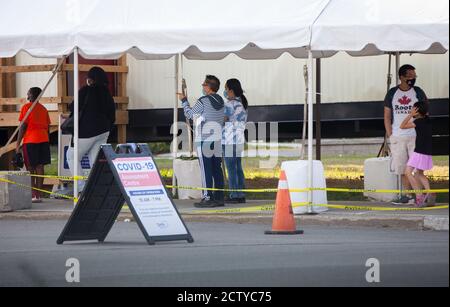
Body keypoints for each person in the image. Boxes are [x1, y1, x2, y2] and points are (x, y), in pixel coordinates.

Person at [178, 75, 225, 208]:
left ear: (209, 87)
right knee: (217, 168)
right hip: (217, 139)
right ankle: (219, 197)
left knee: (206, 170)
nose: (202, 86)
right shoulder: (221, 100)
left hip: (204, 139)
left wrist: (184, 101)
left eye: (204, 84)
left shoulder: (203, 100)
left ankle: (207, 197)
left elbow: (189, 114)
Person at [384, 64, 428, 205]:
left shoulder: (418, 92)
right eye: (410, 76)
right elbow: (387, 116)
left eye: (414, 76)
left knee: (416, 169)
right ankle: (408, 196)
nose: (412, 79)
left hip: (415, 136)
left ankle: (420, 197)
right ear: (401, 77)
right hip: (398, 136)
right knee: (403, 168)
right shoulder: (392, 93)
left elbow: (426, 112)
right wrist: (390, 135)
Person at [66, 67, 116, 192]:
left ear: (90, 79)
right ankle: (98, 187)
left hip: (86, 131)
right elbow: (112, 115)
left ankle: (82, 187)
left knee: (72, 156)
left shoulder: (85, 90)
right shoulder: (107, 93)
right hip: (104, 130)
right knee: (95, 160)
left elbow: (73, 107)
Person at [16, 87, 51, 203]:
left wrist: (17, 144)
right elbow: (48, 127)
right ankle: (39, 194)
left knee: (31, 167)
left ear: (31, 95)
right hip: (44, 139)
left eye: (28, 92)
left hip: (31, 140)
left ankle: (33, 194)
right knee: (40, 166)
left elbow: (23, 126)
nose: (27, 94)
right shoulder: (44, 109)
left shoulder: (26, 107)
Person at [400, 101, 435, 207]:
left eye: (413, 109)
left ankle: (419, 196)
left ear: (417, 111)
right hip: (427, 152)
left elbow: (402, 126)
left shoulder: (418, 121)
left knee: (408, 172)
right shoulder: (427, 120)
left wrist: (410, 115)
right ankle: (429, 192)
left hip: (419, 152)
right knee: (419, 174)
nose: (411, 110)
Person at [222, 79, 248, 204]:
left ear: (230, 90)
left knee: (231, 168)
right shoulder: (242, 102)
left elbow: (222, 120)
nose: (225, 91)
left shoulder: (229, 104)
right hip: (239, 140)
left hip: (229, 141)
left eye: (226, 89)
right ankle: (241, 194)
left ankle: (234, 195)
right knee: (238, 167)